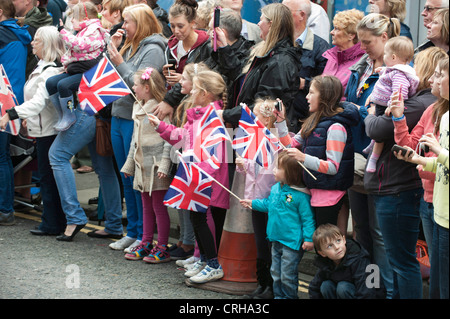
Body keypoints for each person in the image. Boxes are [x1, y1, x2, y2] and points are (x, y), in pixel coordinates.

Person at [363, 39, 439, 300]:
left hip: (398, 189)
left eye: (419, 65)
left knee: (403, 261)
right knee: (393, 259)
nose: (413, 69)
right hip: (389, 185)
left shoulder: (421, 102)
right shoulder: (419, 98)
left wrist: (371, 112)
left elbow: (376, 129)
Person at [148, 70, 229, 284]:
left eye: (194, 88)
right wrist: (161, 126)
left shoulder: (214, 118)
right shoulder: (199, 114)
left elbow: (217, 154)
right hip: (196, 176)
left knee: (203, 221)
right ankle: (204, 260)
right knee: (197, 220)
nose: (191, 91)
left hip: (206, 179)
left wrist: (198, 170)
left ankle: (213, 264)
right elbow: (183, 138)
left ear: (204, 93)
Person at [343, 13, 400, 298]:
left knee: (379, 235)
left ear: (385, 38)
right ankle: (371, 288)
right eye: (360, 41)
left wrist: (356, 110)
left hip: (380, 163)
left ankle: (385, 292)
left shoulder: (397, 73)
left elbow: (385, 120)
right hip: (355, 156)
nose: (362, 47)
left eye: (367, 42)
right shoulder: (359, 67)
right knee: (362, 231)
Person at [105, 3, 167, 252]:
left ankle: (143, 234)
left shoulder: (153, 48)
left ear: (140, 24)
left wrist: (120, 60)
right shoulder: (131, 44)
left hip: (137, 120)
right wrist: (115, 49)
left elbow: (140, 85)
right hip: (119, 114)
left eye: (128, 21)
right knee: (126, 175)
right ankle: (132, 231)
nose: (123, 26)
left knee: (137, 181)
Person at [0, 26, 66, 235]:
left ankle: (53, 223)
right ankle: (52, 221)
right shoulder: (43, 67)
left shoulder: (51, 71)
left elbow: (38, 103)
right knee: (47, 177)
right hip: (41, 129)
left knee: (49, 178)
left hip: (49, 130)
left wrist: (12, 114)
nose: (32, 43)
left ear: (46, 44)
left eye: (36, 40)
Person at [392, 56, 449, 299]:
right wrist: (398, 118)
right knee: (438, 280)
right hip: (434, 203)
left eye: (439, 74)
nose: (432, 80)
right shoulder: (438, 113)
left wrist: (439, 152)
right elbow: (414, 147)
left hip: (443, 208)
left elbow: (442, 157)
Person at [276, 75, 359, 229]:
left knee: (326, 245)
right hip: (314, 191)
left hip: (328, 195)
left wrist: (303, 157)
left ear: (324, 96)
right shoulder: (313, 122)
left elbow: (333, 167)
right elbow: (289, 147)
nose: (307, 97)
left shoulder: (336, 127)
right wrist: (280, 122)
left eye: (312, 93)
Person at [240, 151, 315, 299]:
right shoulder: (275, 188)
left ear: (291, 173)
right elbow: (268, 204)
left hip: (292, 243)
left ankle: (288, 297)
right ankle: (279, 296)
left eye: (278, 168)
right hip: (275, 239)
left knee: (288, 274)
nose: (273, 170)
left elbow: (308, 219)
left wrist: (309, 239)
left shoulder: (301, 195)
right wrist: (253, 203)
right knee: (276, 272)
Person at [219, 3, 301, 130]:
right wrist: (223, 48)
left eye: (261, 19)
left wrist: (226, 115)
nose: (258, 24)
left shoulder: (280, 62)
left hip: (264, 133)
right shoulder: (262, 50)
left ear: (271, 24)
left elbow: (264, 106)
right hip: (247, 127)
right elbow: (239, 74)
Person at [120, 67, 173, 263]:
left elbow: (169, 140)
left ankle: (162, 246)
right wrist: (129, 164)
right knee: (146, 206)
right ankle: (146, 242)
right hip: (142, 165)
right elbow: (135, 140)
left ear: (147, 88)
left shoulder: (160, 109)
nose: (133, 87)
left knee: (158, 207)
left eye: (136, 84)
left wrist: (165, 165)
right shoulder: (138, 107)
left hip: (156, 166)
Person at [235, 99, 277, 299]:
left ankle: (272, 286)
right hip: (255, 200)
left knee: (271, 243)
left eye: (256, 118)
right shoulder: (252, 142)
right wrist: (241, 165)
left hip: (271, 200)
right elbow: (248, 172)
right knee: (260, 242)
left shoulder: (277, 141)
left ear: (267, 119)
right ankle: (262, 284)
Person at [45, 1, 108, 132]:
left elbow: (80, 45)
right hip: (77, 67)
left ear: (85, 19)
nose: (71, 20)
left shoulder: (95, 30)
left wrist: (63, 32)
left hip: (89, 70)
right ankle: (62, 114)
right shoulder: (82, 30)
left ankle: (69, 115)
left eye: (74, 17)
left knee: (64, 85)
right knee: (51, 83)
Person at [364, 36, 419, 173]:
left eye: (385, 55)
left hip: (385, 106)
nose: (383, 57)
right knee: (376, 132)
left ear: (393, 57)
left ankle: (373, 159)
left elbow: (400, 92)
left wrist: (391, 105)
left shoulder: (400, 74)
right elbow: (389, 76)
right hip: (381, 103)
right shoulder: (396, 70)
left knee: (379, 136)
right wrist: (381, 71)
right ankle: (371, 145)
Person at [0, 0, 31, 226]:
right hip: (12, 102)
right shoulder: (18, 33)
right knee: (3, 158)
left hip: (3, 102)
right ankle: (6, 209)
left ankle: (4, 210)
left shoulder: (2, 33)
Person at [153, 0, 211, 121]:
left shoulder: (206, 45)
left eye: (180, 26)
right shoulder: (171, 45)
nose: (176, 31)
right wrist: (168, 77)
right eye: (172, 26)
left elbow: (208, 81)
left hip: (196, 109)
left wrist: (185, 80)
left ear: (193, 24)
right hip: (176, 106)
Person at [282, 0, 330, 133]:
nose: (280, 15)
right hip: (276, 117)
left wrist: (305, 83)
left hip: (303, 122)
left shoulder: (320, 47)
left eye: (285, 11)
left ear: (301, 15)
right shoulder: (276, 42)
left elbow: (327, 85)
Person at [309, 223, 386, 299]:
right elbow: (314, 287)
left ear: (344, 239)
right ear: (322, 253)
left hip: (370, 295)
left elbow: (367, 291)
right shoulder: (325, 262)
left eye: (338, 241)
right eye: (330, 246)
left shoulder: (358, 258)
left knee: (343, 288)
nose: (337, 247)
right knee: (325, 286)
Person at [322, 9, 365, 93]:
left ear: (351, 36)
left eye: (337, 29)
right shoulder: (332, 56)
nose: (331, 32)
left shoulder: (361, 62)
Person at [13, 0, 53, 78]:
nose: (11, 3)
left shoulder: (28, 27)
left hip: (29, 76)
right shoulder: (42, 17)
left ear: (27, 1)